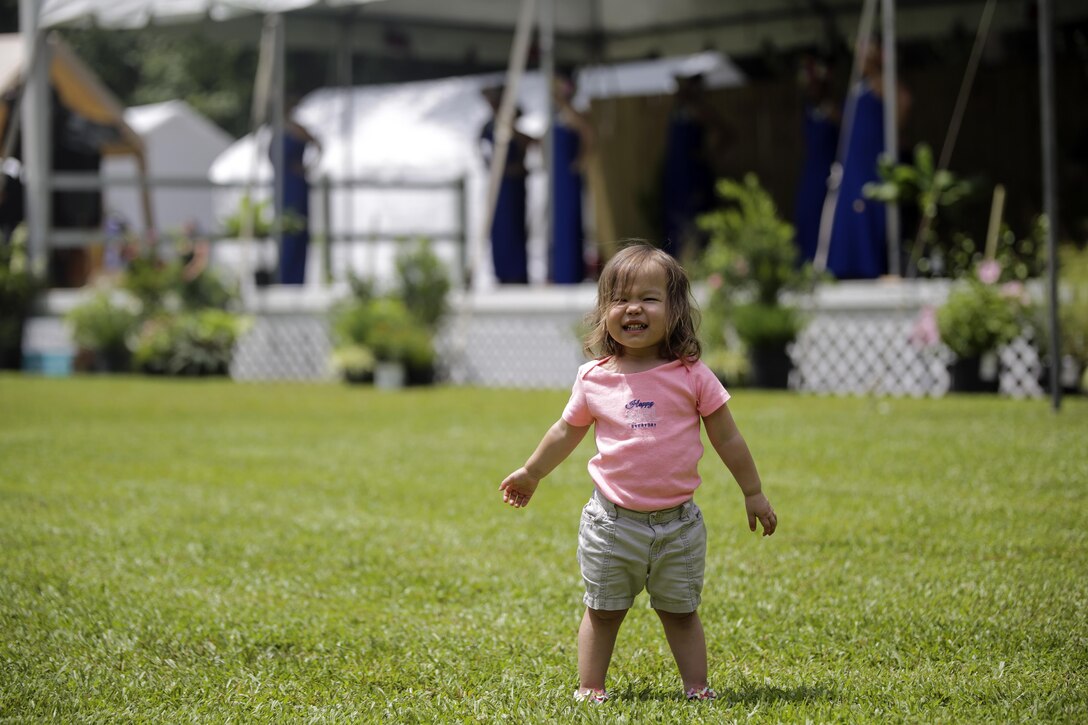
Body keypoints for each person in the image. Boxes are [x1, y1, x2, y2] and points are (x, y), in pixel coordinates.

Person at [498, 242, 777, 703]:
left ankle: (696, 688)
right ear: (604, 311)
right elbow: (565, 432)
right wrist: (531, 472)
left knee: (681, 611)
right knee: (603, 610)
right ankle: (590, 687)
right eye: (619, 299)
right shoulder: (595, 377)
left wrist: (753, 491)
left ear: (676, 311)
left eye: (649, 298)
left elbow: (727, 438)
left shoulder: (692, 375)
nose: (633, 309)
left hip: (678, 526)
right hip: (612, 524)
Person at [825, 40, 910, 279]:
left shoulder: (881, 81)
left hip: (870, 158)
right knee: (849, 207)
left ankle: (871, 264)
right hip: (853, 159)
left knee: (869, 204)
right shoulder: (860, 84)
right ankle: (848, 264)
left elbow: (904, 101)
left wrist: (891, 133)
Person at [662, 73, 728, 259]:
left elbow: (725, 133)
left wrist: (707, 155)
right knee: (675, 222)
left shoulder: (697, 109)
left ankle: (698, 263)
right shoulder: (676, 111)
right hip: (676, 175)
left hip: (692, 176)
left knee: (695, 221)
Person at [480, 85, 534, 284]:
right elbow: (484, 152)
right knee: (500, 230)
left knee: (514, 227)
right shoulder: (488, 128)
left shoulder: (513, 129)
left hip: (513, 187)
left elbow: (526, 145)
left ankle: (517, 273)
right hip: (500, 186)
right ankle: (502, 272)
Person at [270, 96, 321, 285]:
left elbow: (319, 145)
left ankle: (295, 277)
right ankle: (283, 274)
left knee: (297, 229)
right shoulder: (276, 130)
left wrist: (308, 167)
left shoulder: (297, 129)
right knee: (283, 229)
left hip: (295, 185)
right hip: (281, 184)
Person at [794, 55, 840, 264]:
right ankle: (807, 259)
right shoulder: (807, 110)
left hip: (829, 169)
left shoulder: (833, 111)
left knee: (826, 212)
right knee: (806, 210)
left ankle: (825, 260)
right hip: (811, 169)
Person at [551, 68, 595, 284]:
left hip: (568, 178)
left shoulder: (572, 111)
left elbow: (588, 132)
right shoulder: (555, 112)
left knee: (570, 221)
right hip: (556, 178)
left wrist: (581, 159)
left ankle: (571, 271)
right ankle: (559, 271)